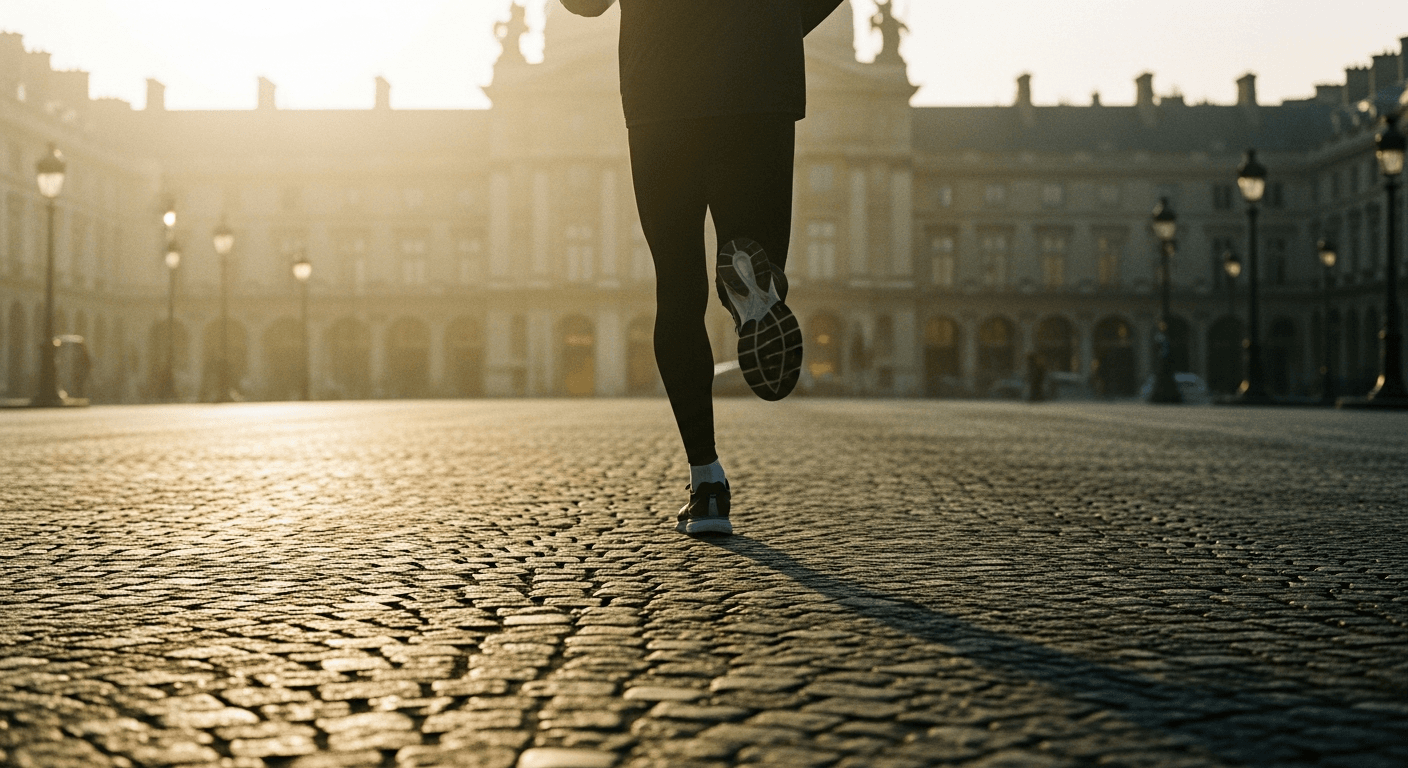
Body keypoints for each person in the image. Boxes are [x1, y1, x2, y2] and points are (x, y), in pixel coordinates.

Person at [561, 0, 844, 536]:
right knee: (753, 247)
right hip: (760, 78)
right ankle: (752, 296)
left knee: (678, 288)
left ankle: (707, 482)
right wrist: (776, 23)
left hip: (662, 91)